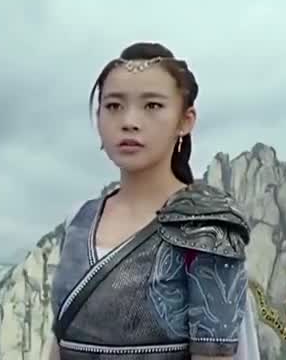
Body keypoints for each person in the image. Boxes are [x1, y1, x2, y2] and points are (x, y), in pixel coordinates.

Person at [47, 42, 260, 360]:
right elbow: (59, 341)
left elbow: (216, 354)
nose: (129, 121)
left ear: (185, 121)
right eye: (114, 106)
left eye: (152, 106)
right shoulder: (79, 219)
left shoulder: (205, 224)